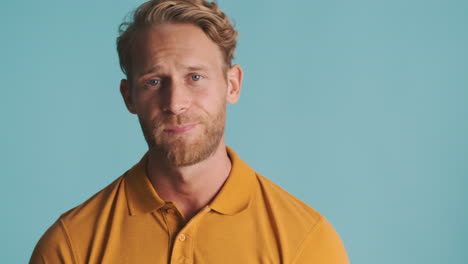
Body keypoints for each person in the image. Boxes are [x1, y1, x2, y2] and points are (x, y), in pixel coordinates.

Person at [30, 0, 349, 263]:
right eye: (154, 82)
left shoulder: (305, 243)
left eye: (195, 77)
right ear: (129, 97)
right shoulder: (70, 246)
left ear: (232, 85)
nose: (175, 102)